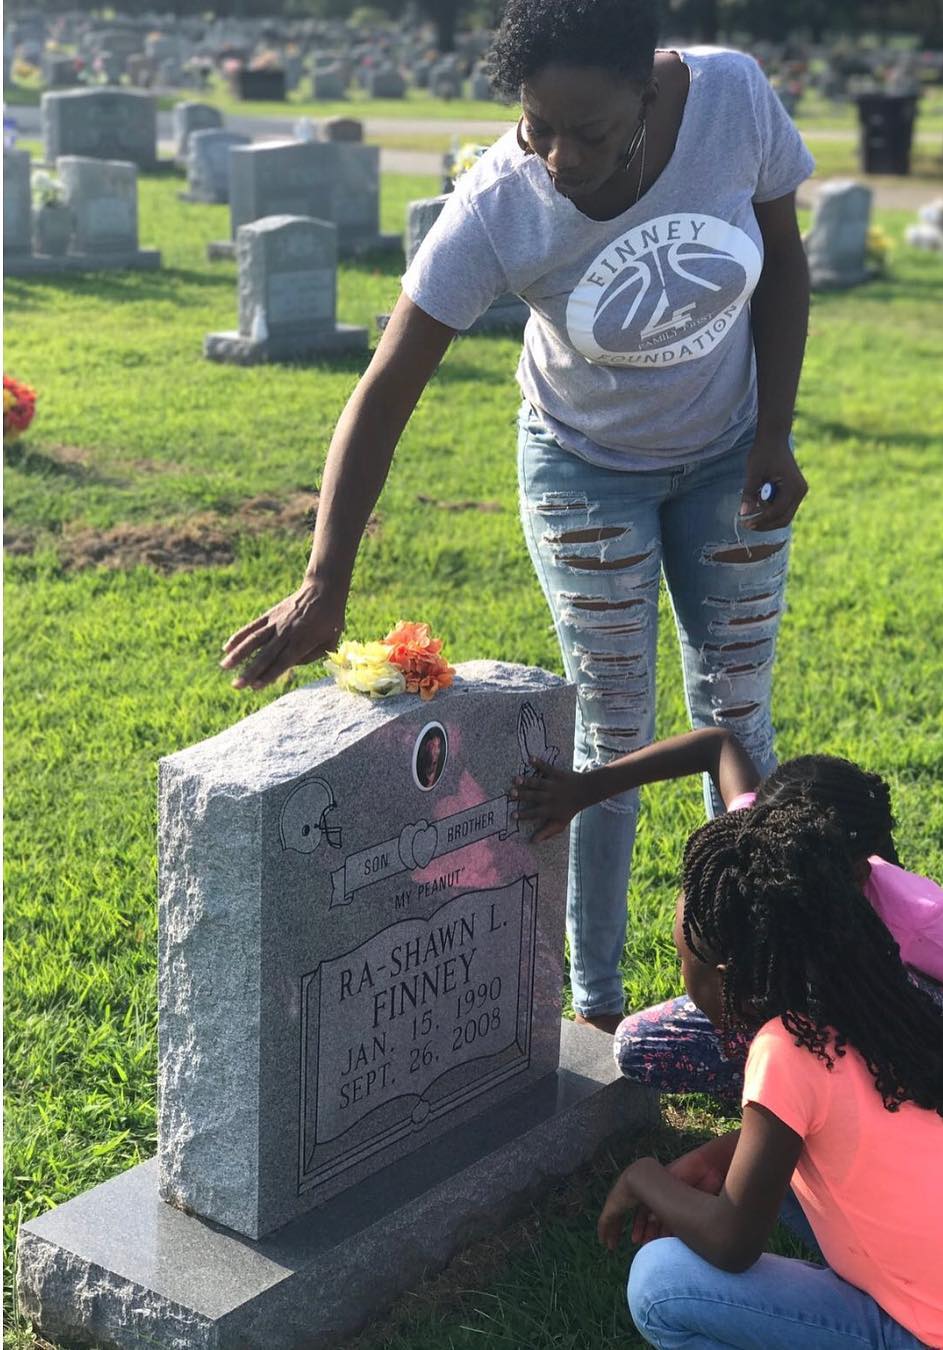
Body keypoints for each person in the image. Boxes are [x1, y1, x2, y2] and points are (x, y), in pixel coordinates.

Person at [220, 0, 815, 1032]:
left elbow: (784, 263)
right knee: (612, 731)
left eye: (588, 129)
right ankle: (597, 1009)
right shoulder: (499, 205)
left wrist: (777, 434)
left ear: (648, 85)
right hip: (586, 469)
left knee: (738, 715)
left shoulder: (731, 98)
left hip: (730, 453)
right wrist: (326, 581)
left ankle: (756, 978)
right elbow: (385, 388)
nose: (557, 154)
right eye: (538, 124)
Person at [596, 798, 943, 1350]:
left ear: (724, 976)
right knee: (780, 1178)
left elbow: (731, 1242)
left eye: (685, 960)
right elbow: (839, 1131)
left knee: (659, 1283)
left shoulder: (782, 1050)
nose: (683, 977)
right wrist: (716, 1156)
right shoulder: (861, 1006)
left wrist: (642, 1175)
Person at [510, 728, 943, 1089]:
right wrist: (586, 789)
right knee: (637, 1047)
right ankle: (791, 1076)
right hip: (786, 1013)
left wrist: (904, 941)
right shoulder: (753, 846)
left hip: (900, 1012)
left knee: (853, 1022)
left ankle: (834, 1093)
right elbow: (717, 744)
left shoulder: (906, 912)